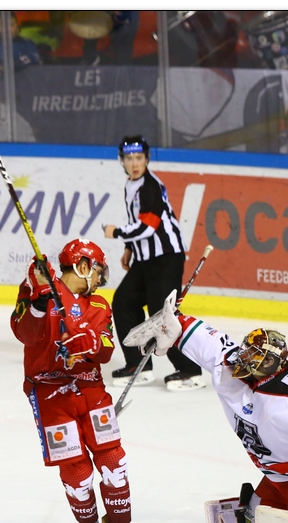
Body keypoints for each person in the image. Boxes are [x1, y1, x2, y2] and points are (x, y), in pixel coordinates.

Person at [123, 300, 288, 523]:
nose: (245, 358)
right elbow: (212, 343)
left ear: (271, 363)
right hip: (276, 474)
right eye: (247, 350)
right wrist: (177, 325)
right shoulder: (230, 366)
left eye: (255, 355)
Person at [10, 238, 156, 523]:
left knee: (113, 461)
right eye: (99, 271)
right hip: (49, 393)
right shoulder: (38, 288)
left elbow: (106, 350)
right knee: (76, 469)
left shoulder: (100, 305)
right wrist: (38, 299)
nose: (101, 279)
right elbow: (24, 334)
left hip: (91, 390)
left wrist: (90, 342)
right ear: (83, 265)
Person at [103, 135, 205, 392]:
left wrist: (117, 233)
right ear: (122, 161)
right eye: (129, 158)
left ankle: (190, 370)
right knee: (124, 301)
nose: (134, 163)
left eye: (139, 158)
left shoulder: (150, 186)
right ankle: (138, 365)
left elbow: (149, 226)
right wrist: (129, 248)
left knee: (162, 314)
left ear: (147, 159)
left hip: (166, 258)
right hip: (146, 259)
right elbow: (138, 221)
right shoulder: (131, 184)